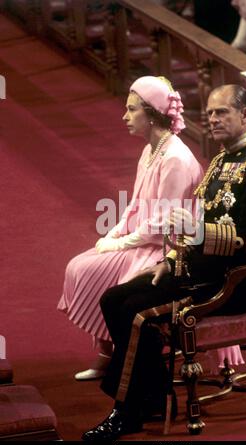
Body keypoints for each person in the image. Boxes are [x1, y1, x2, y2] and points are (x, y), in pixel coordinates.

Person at [82, 84, 246, 441]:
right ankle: (155, 394)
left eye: (222, 112)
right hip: (197, 271)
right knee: (114, 299)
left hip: (233, 282)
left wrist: (196, 231)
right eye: (209, 114)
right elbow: (192, 225)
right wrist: (171, 259)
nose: (213, 119)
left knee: (138, 315)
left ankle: (128, 411)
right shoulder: (221, 160)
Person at [57, 75, 203, 379]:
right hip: (141, 241)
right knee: (79, 265)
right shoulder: (151, 150)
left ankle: (119, 358)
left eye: (132, 109)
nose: (125, 116)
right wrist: (113, 233)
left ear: (151, 114)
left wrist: (121, 244)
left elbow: (163, 223)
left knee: (91, 274)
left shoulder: (175, 157)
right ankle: (107, 353)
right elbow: (136, 204)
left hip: (163, 250)